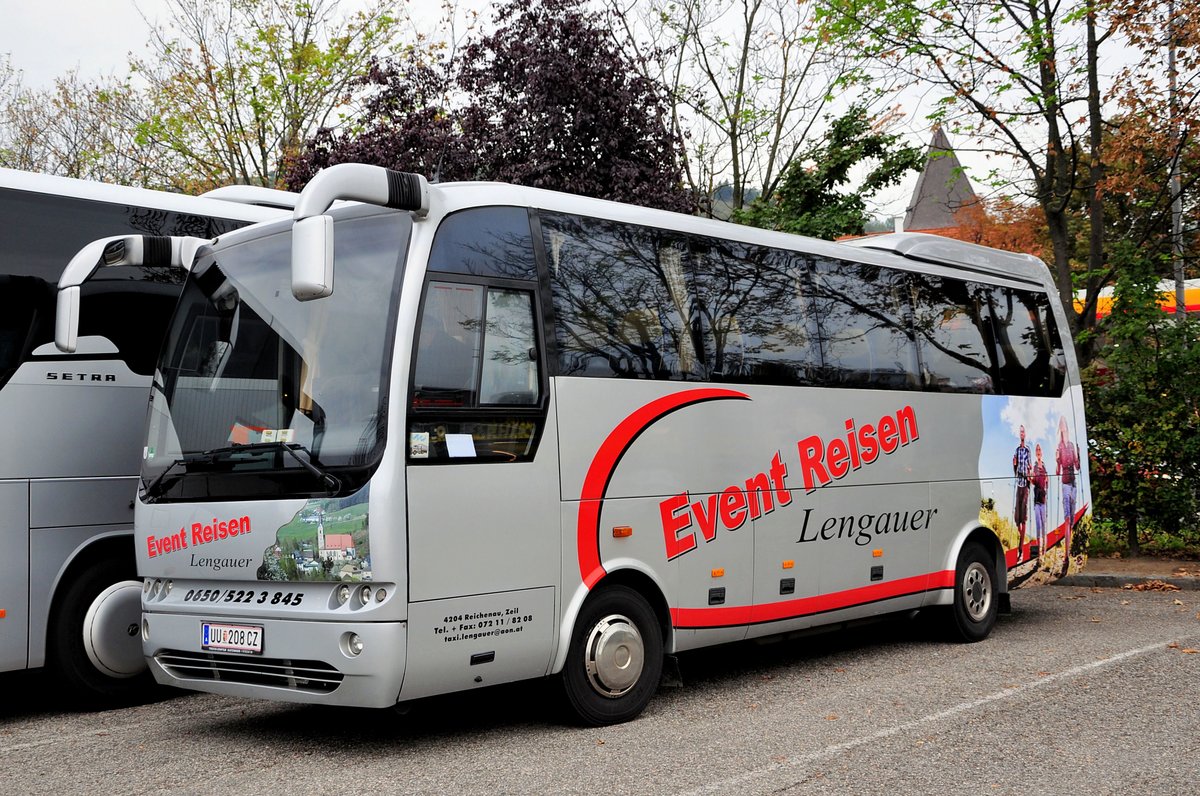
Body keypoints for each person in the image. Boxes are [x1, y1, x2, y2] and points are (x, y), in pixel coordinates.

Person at [1056, 416, 1079, 533]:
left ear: (1066, 426)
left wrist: (1078, 456)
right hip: (1065, 481)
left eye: (1064, 423)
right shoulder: (1059, 447)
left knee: (1073, 509)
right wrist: (1057, 461)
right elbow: (1057, 471)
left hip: (1073, 481)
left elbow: (1077, 466)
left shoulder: (1071, 445)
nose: (1063, 426)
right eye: (1061, 424)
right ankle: (1068, 533)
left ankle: (1071, 532)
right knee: (1067, 512)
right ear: (1060, 428)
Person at [1012, 424, 1031, 562]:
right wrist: (1013, 465)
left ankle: (1020, 550)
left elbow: (1029, 467)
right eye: (1020, 432)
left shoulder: (1028, 450)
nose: (1022, 434)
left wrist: (1029, 474)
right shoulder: (1017, 450)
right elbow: (1015, 470)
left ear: (1026, 434)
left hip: (1026, 486)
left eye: (1023, 432)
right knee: (1016, 518)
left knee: (1023, 518)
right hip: (1018, 484)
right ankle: (1023, 539)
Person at [1031, 444, 1049, 557]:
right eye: (1037, 450)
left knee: (1044, 525)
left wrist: (1047, 488)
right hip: (1037, 500)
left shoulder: (1044, 466)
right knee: (1038, 525)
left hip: (1043, 500)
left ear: (1041, 452)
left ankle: (1045, 550)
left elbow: (1046, 480)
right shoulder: (1034, 466)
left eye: (1039, 449)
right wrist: (1030, 478)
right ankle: (1039, 552)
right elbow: (1034, 482)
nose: (1038, 451)